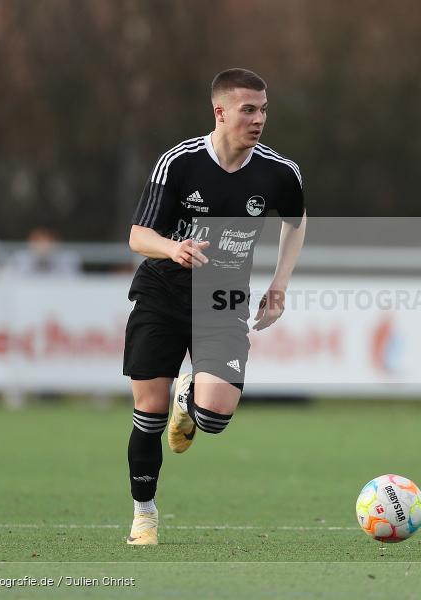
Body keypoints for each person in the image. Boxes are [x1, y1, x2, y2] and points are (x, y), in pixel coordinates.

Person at [122, 68, 307, 545]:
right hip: (162, 294)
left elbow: (297, 222)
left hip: (222, 300)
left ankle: (191, 399)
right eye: (248, 109)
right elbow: (137, 236)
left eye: (264, 109)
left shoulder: (280, 171)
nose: (259, 119)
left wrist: (279, 284)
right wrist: (173, 248)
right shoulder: (178, 163)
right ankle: (144, 514)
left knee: (215, 418)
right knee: (149, 412)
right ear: (220, 112)